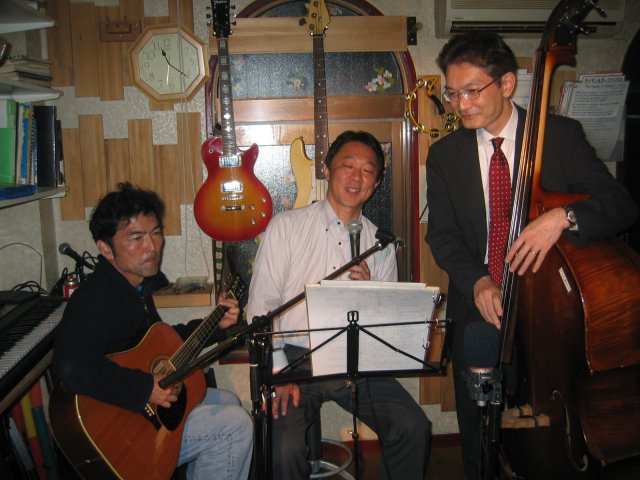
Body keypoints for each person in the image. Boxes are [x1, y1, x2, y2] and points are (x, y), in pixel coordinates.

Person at [425, 32, 638, 479]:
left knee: (552, 433)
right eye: (453, 93)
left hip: (553, 313)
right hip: (478, 308)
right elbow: (442, 236)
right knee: (478, 432)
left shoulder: (559, 136)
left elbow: (621, 205)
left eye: (471, 90)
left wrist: (563, 216)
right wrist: (478, 280)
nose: (461, 105)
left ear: (506, 84)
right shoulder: (444, 155)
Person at [247, 130, 432, 480]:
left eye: (368, 171)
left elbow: (386, 330)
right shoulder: (286, 227)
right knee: (284, 449)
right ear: (327, 169)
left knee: (413, 426)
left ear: (376, 183)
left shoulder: (381, 245)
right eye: (348, 166)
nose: (356, 178)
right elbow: (260, 308)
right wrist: (278, 371)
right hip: (294, 359)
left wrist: (371, 294)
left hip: (355, 361)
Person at [52, 182, 253, 479]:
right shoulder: (95, 298)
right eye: (136, 237)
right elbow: (71, 365)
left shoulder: (136, 288)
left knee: (229, 402)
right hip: (121, 437)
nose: (152, 246)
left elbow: (158, 343)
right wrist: (145, 388)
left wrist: (217, 326)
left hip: (141, 417)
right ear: (105, 248)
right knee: (234, 426)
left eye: (156, 233)